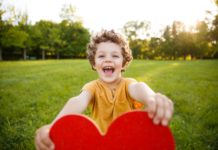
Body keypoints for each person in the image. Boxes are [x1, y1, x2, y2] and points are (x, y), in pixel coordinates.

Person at [35, 30, 174, 150]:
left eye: (115, 56)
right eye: (101, 56)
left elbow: (139, 88)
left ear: (123, 62)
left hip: (127, 143)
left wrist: (152, 98)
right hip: (99, 144)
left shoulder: (128, 84)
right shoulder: (93, 87)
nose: (108, 60)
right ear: (94, 63)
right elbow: (78, 101)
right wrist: (53, 126)